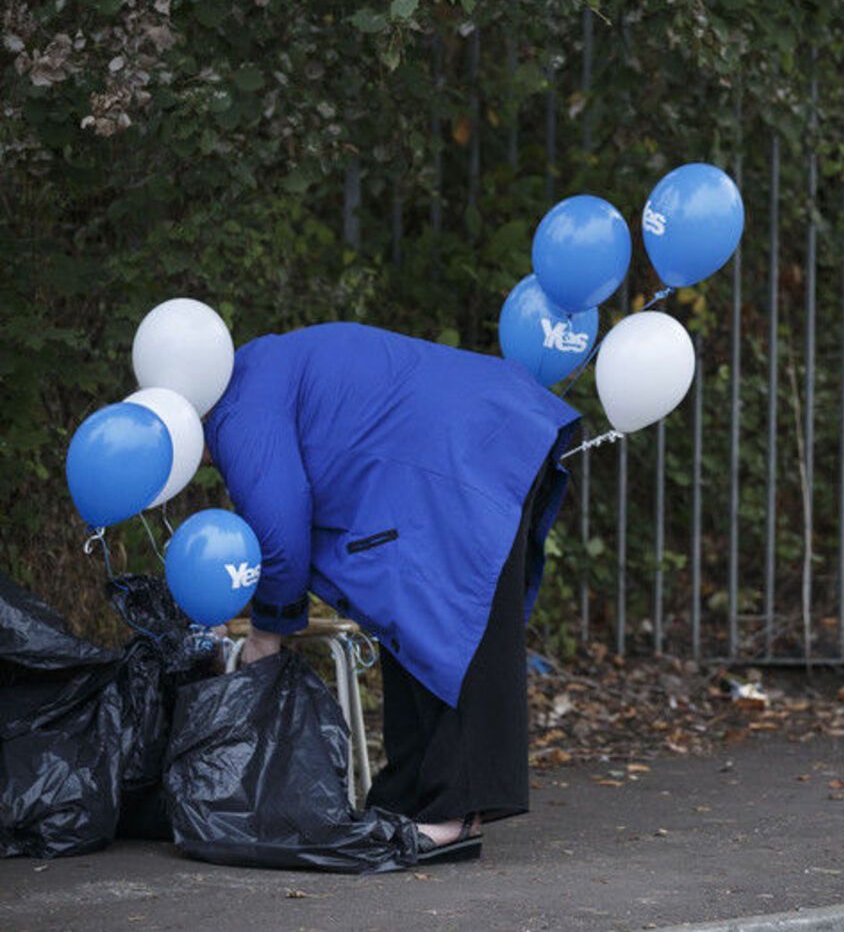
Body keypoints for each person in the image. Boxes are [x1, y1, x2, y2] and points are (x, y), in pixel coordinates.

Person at [202, 322, 581, 863]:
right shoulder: (250, 370)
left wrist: (267, 633)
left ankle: (456, 813)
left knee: (463, 620)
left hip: (467, 448)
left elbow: (281, 531)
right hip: (467, 435)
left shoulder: (235, 415)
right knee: (416, 622)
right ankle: (410, 795)